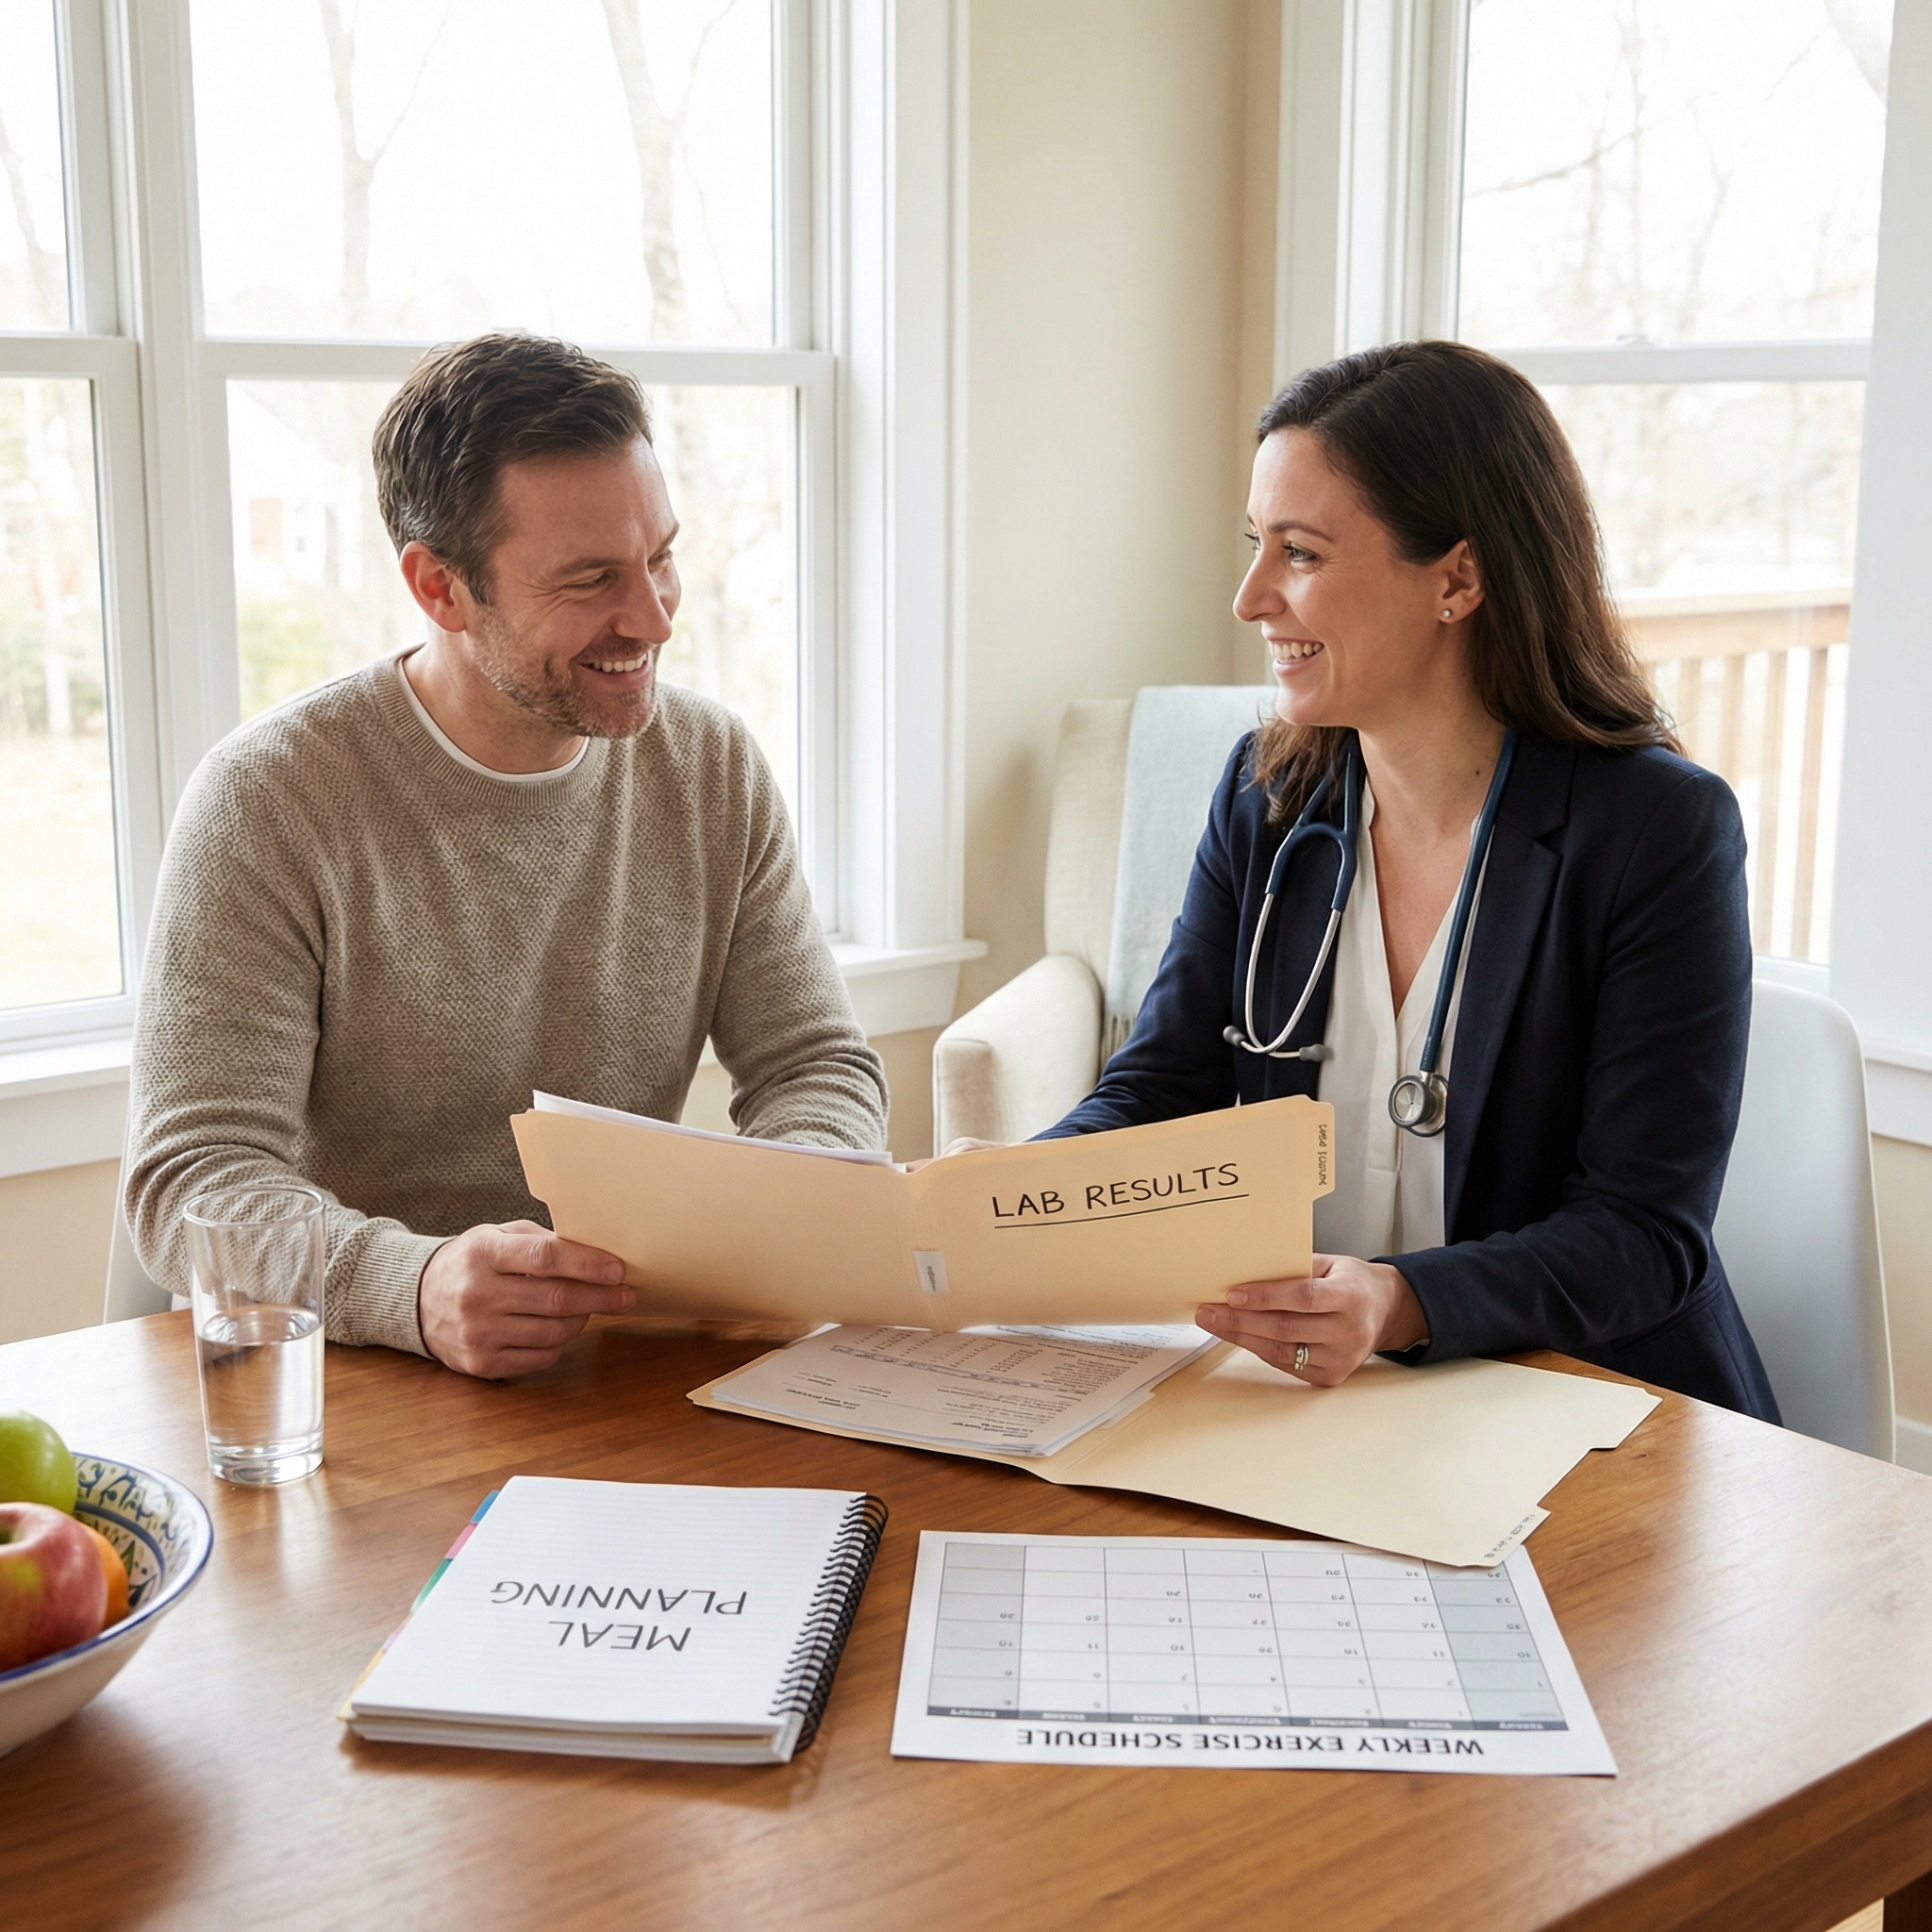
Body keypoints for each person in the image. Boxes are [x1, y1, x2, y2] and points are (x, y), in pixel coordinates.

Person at [1020, 340, 1777, 1417]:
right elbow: (1164, 1088)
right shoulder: (1264, 798)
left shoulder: (1656, 831)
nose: (1248, 599)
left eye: (1301, 554)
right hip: (1321, 1401)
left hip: (1581, 1402)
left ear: (1456, 578)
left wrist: (1398, 1300)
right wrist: (1000, 1202)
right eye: (1255, 546)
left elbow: (1642, 1234)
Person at [127, 332, 887, 1380]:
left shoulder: (710, 765)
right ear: (439, 588)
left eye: (660, 556)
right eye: (590, 580)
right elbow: (193, 1182)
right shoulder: (269, 799)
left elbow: (816, 1063)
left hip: (620, 1369)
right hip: (350, 1382)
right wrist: (417, 1284)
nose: (653, 617)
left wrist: (791, 1207)